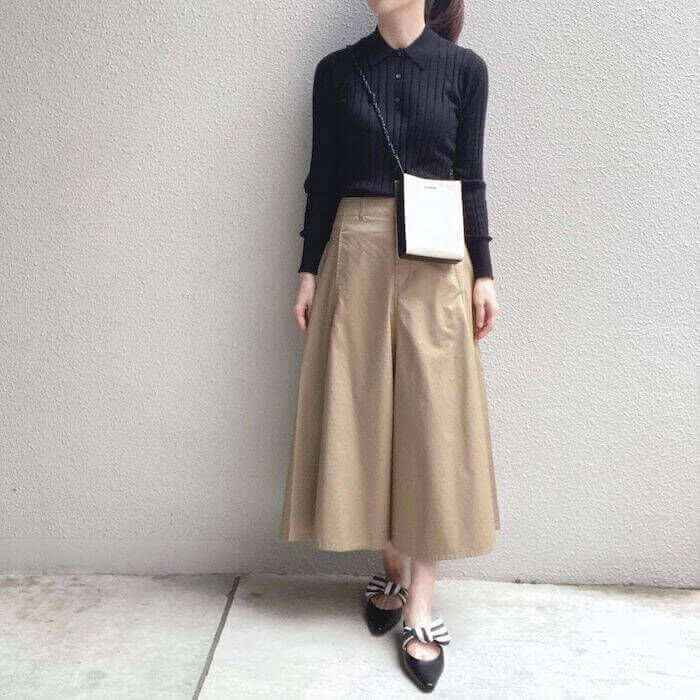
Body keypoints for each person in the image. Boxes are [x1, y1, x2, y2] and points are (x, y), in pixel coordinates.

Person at [279, 0, 501, 690]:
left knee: (434, 425)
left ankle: (421, 606)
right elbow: (321, 178)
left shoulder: (465, 70)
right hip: (358, 252)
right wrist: (308, 270)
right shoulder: (337, 71)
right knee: (365, 412)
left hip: (439, 259)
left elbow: (470, 176)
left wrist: (485, 273)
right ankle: (394, 568)